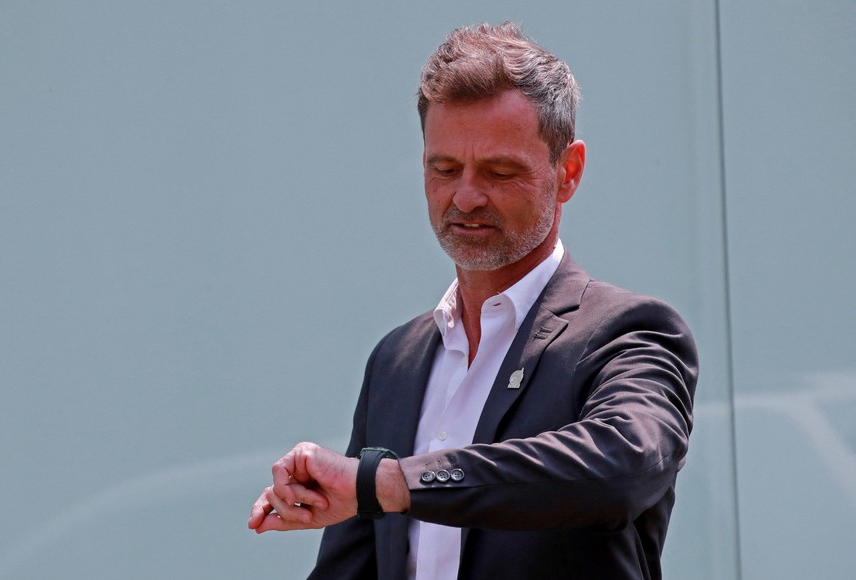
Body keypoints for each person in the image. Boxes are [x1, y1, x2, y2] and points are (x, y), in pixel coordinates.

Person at [248, 22, 698, 580]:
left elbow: (621, 467)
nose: (465, 196)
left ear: (568, 172)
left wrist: (391, 483)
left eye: (499, 171)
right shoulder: (397, 360)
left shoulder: (627, 332)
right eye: (444, 169)